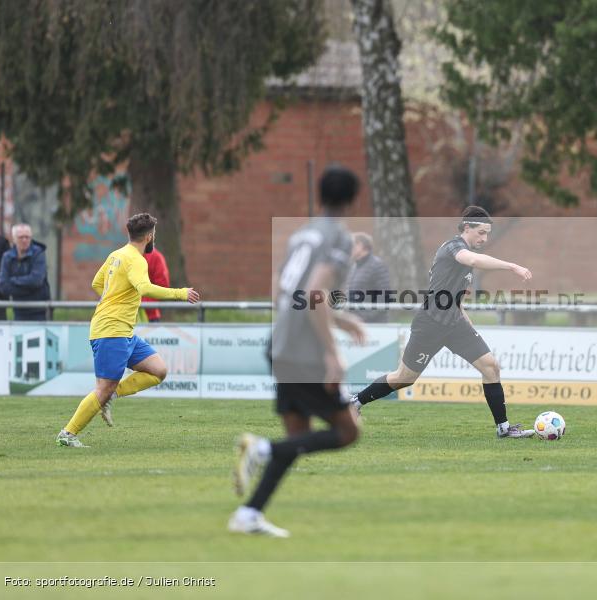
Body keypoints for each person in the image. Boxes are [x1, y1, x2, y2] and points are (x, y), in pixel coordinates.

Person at [229, 166, 367, 537]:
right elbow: (316, 291)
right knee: (348, 431)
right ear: (353, 199)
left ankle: (249, 515)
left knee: (298, 438)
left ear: (320, 196)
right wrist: (331, 353)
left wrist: (337, 320)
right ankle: (262, 449)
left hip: (281, 345)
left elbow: (286, 292)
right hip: (305, 353)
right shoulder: (338, 237)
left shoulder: (301, 234)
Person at [352, 206, 536, 439]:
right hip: (430, 323)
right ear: (466, 228)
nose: (484, 238)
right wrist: (512, 266)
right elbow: (473, 259)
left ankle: (503, 428)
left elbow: (456, 300)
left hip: (454, 324)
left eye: (487, 233)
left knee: (491, 366)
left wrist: (468, 328)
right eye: (481, 232)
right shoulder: (454, 248)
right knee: (404, 378)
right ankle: (355, 402)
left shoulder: (466, 261)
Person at [55, 213, 200, 447]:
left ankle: (113, 394)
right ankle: (68, 433)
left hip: (123, 331)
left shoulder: (116, 255)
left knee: (158, 370)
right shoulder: (136, 260)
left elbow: (96, 283)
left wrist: (111, 298)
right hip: (111, 330)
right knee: (103, 388)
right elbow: (144, 287)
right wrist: (180, 293)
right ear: (150, 235)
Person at [0, 223, 51, 321]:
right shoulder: (7, 257)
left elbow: (36, 281)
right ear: (14, 239)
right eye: (20, 237)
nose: (24, 240)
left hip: (39, 310)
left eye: (27, 237)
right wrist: (27, 287)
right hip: (18, 310)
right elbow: (3, 286)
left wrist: (13, 281)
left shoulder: (38, 253)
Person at [346, 232, 393, 323]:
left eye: (352, 245)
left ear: (361, 245)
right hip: (356, 323)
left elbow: (384, 296)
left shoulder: (377, 265)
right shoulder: (354, 267)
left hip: (374, 326)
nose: (349, 249)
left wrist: (364, 317)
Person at [143, 246, 171, 322]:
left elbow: (162, 285)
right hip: (149, 311)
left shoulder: (123, 255)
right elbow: (163, 285)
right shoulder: (155, 256)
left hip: (147, 313)